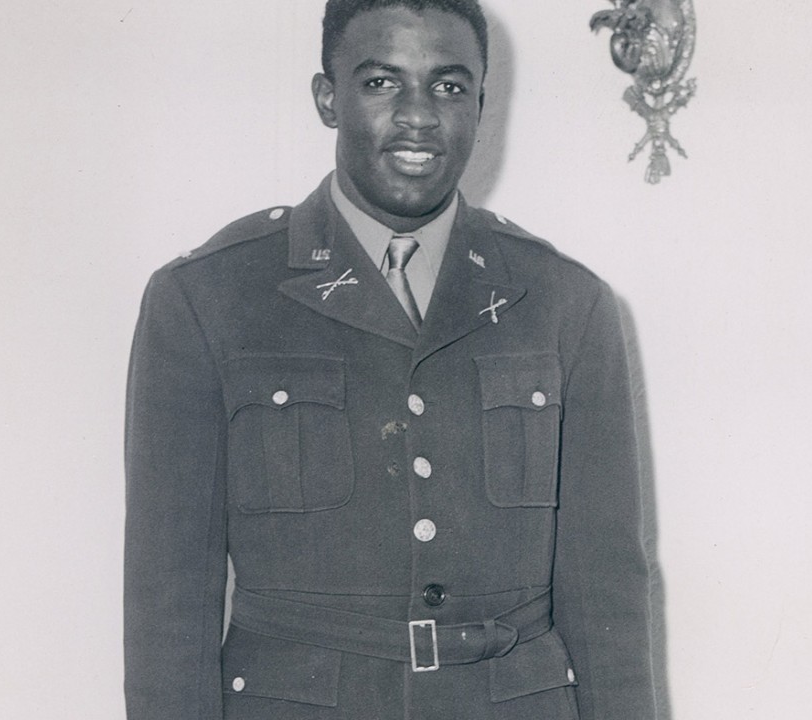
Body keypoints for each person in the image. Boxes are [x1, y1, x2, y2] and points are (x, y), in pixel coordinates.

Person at [124, 1, 660, 718]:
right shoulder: (210, 299)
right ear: (327, 98)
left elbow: (610, 599)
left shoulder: (568, 304)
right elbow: (168, 602)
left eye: (448, 86)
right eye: (381, 82)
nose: (419, 115)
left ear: (479, 103)